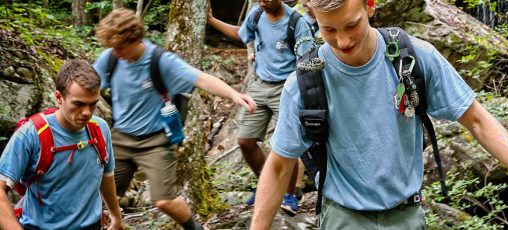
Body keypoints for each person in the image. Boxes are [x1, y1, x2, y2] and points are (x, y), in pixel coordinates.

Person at [249, 0, 508, 229]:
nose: (343, 42)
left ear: (370, 6)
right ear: (312, 17)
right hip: (343, 217)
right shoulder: (304, 83)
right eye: (328, 30)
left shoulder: (415, 58)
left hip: (408, 216)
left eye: (352, 24)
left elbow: (475, 118)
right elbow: (278, 168)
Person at [92, 8, 256, 230]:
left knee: (164, 200)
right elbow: (89, 84)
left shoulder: (160, 61)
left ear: (136, 39)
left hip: (156, 141)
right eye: (113, 48)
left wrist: (234, 94)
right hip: (120, 138)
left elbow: (201, 78)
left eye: (121, 47)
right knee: (100, 193)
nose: (117, 53)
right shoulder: (110, 59)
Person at [207, 0, 313, 213]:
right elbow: (241, 33)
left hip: (287, 86)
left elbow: (307, 58)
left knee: (286, 144)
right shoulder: (256, 15)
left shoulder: (296, 21)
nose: (263, 3)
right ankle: (267, 185)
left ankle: (289, 195)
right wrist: (211, 20)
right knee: (245, 140)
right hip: (260, 85)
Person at [0, 60, 125, 230]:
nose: (87, 112)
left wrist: (115, 216)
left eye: (93, 104)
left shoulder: (100, 129)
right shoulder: (31, 134)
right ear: (59, 98)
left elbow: (106, 175)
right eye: (78, 104)